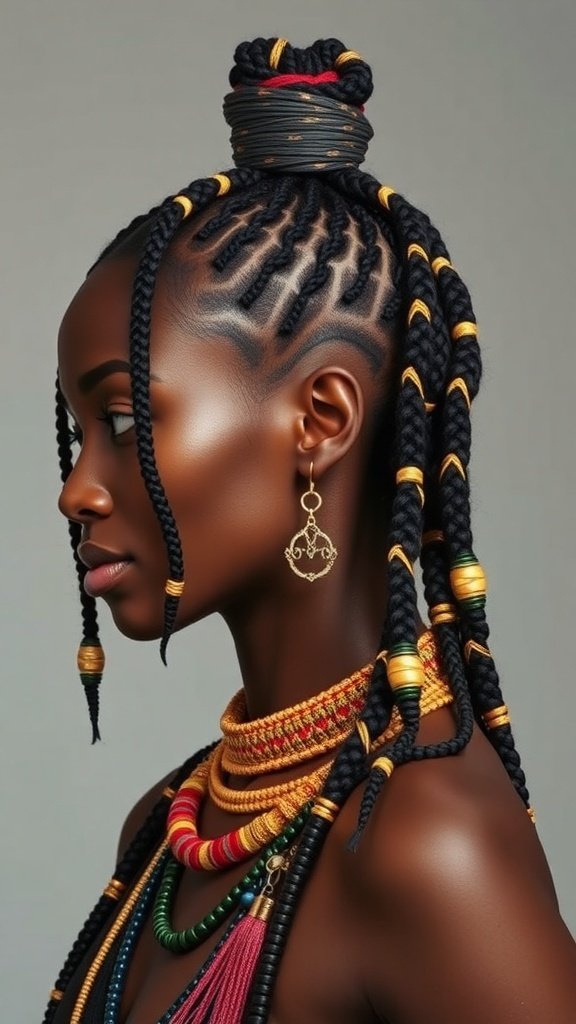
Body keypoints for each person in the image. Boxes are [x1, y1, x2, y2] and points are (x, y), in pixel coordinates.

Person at [45, 35, 576, 1024]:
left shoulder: (428, 852)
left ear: (321, 421)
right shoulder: (164, 830)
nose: (78, 488)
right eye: (76, 437)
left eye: (123, 422)